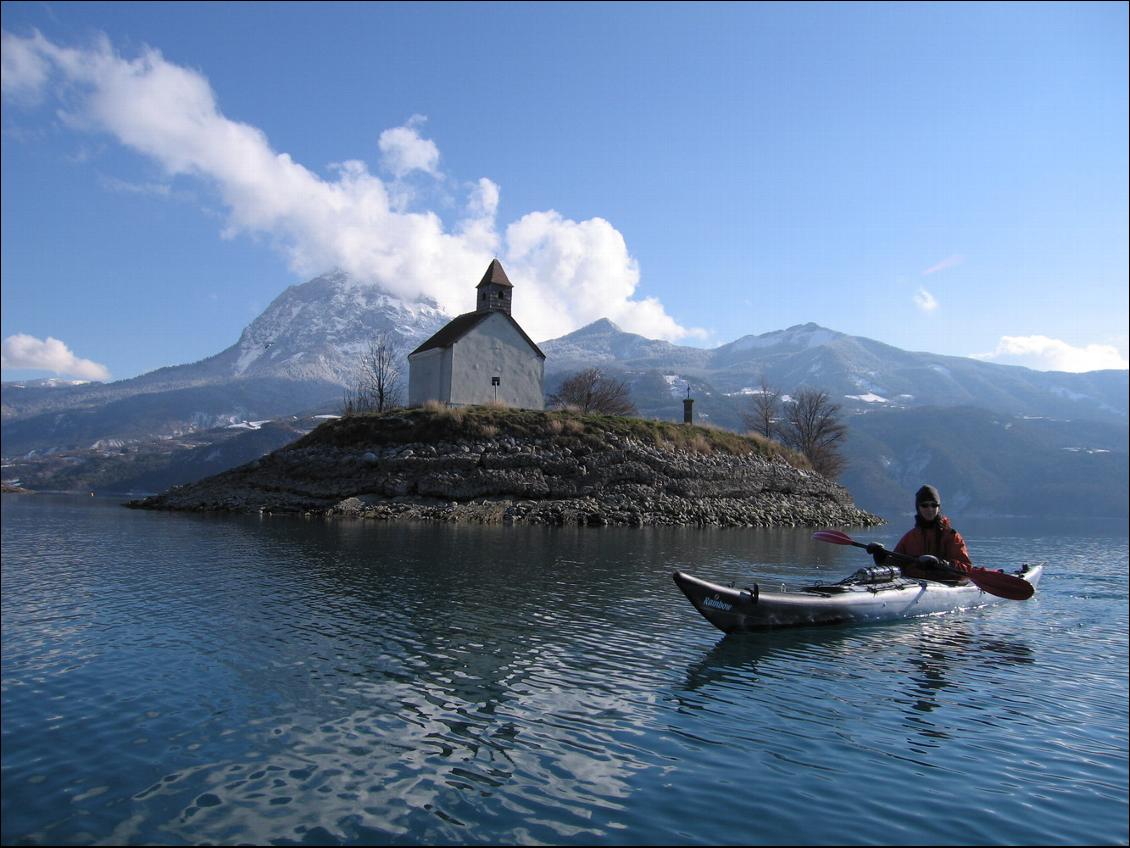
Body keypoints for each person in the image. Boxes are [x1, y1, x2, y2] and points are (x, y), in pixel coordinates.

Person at [867, 485, 973, 581]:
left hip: (942, 585)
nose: (930, 509)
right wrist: (881, 557)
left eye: (934, 505)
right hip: (913, 585)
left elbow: (966, 569)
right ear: (918, 508)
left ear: (938, 507)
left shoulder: (952, 536)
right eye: (924, 505)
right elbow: (897, 564)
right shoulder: (909, 537)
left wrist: (942, 564)